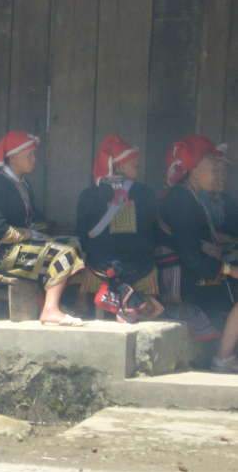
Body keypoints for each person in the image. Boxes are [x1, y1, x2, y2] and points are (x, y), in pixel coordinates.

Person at [0, 131, 85, 326]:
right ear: (13, 158)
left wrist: (48, 228)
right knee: (64, 252)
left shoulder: (23, 184)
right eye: (29, 155)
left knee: (75, 242)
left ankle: (62, 303)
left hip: (19, 247)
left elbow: (32, 219)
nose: (34, 160)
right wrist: (27, 233)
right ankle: (50, 309)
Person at [159, 134, 238, 372]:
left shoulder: (193, 197)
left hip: (195, 271)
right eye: (212, 169)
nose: (217, 175)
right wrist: (229, 270)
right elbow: (190, 256)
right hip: (182, 280)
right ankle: (223, 358)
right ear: (193, 171)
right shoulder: (182, 200)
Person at [76, 135, 163, 321]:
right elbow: (153, 232)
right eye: (135, 166)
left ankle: (86, 298)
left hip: (100, 266)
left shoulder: (88, 194)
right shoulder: (145, 192)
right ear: (120, 166)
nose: (138, 170)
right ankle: (137, 300)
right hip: (140, 266)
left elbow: (82, 235)